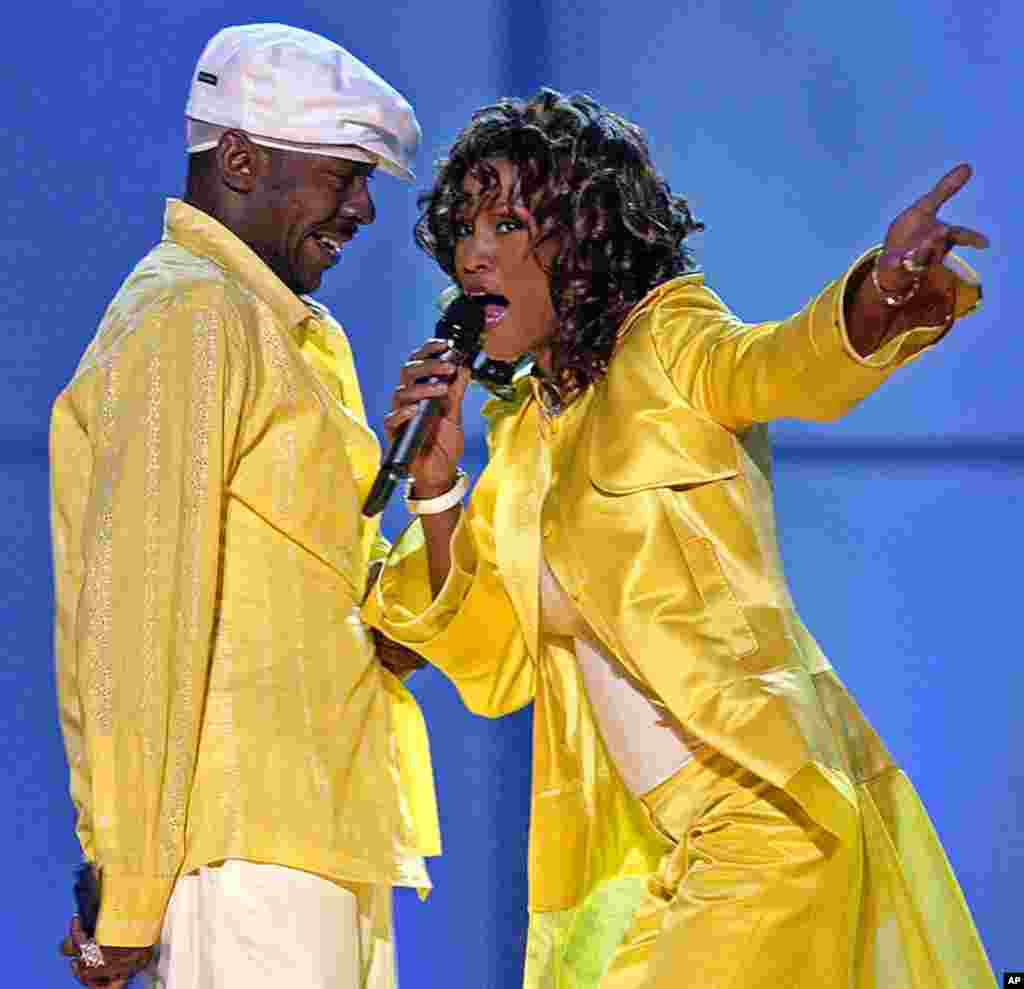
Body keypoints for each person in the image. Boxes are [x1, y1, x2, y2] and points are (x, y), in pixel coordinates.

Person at [363, 89, 996, 988]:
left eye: (510, 222)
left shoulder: (669, 340)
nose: (475, 251)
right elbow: (492, 661)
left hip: (770, 823)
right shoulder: (526, 431)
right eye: (464, 226)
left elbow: (775, 364)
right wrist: (434, 490)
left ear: (584, 239)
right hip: (663, 858)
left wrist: (882, 291)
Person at [52, 24, 439, 989]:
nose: (360, 209)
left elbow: (350, 609)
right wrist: (130, 893)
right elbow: (140, 624)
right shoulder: (191, 314)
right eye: (342, 175)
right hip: (244, 858)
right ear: (238, 158)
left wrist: (444, 487)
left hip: (325, 839)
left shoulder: (292, 334)